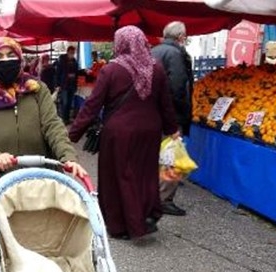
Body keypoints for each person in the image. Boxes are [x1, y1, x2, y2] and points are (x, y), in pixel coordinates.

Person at [68, 26, 179, 240]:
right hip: (150, 132)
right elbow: (166, 104)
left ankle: (123, 226)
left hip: (119, 133)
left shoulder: (111, 70)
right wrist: (172, 129)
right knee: (145, 175)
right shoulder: (156, 68)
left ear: (121, 43)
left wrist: (72, 134)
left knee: (120, 178)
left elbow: (92, 105)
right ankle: (147, 216)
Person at [0, 37, 87, 193]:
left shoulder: (37, 89)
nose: (5, 60)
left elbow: (53, 126)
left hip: (40, 180)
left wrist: (67, 156)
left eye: (11, 54)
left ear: (20, 58)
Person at [151, 21, 194, 216]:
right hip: (170, 116)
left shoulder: (154, 51)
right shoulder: (176, 54)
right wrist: (178, 117)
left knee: (157, 156)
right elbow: (178, 87)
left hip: (152, 113)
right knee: (171, 157)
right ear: (181, 37)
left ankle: (154, 194)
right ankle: (164, 199)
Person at [55, 46, 79, 124]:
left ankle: (67, 118)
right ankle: (64, 118)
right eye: (71, 52)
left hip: (72, 85)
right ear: (68, 52)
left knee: (69, 102)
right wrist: (58, 84)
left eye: (73, 53)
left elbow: (77, 72)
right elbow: (58, 73)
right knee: (64, 102)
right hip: (64, 85)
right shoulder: (62, 60)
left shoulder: (74, 61)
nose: (72, 54)